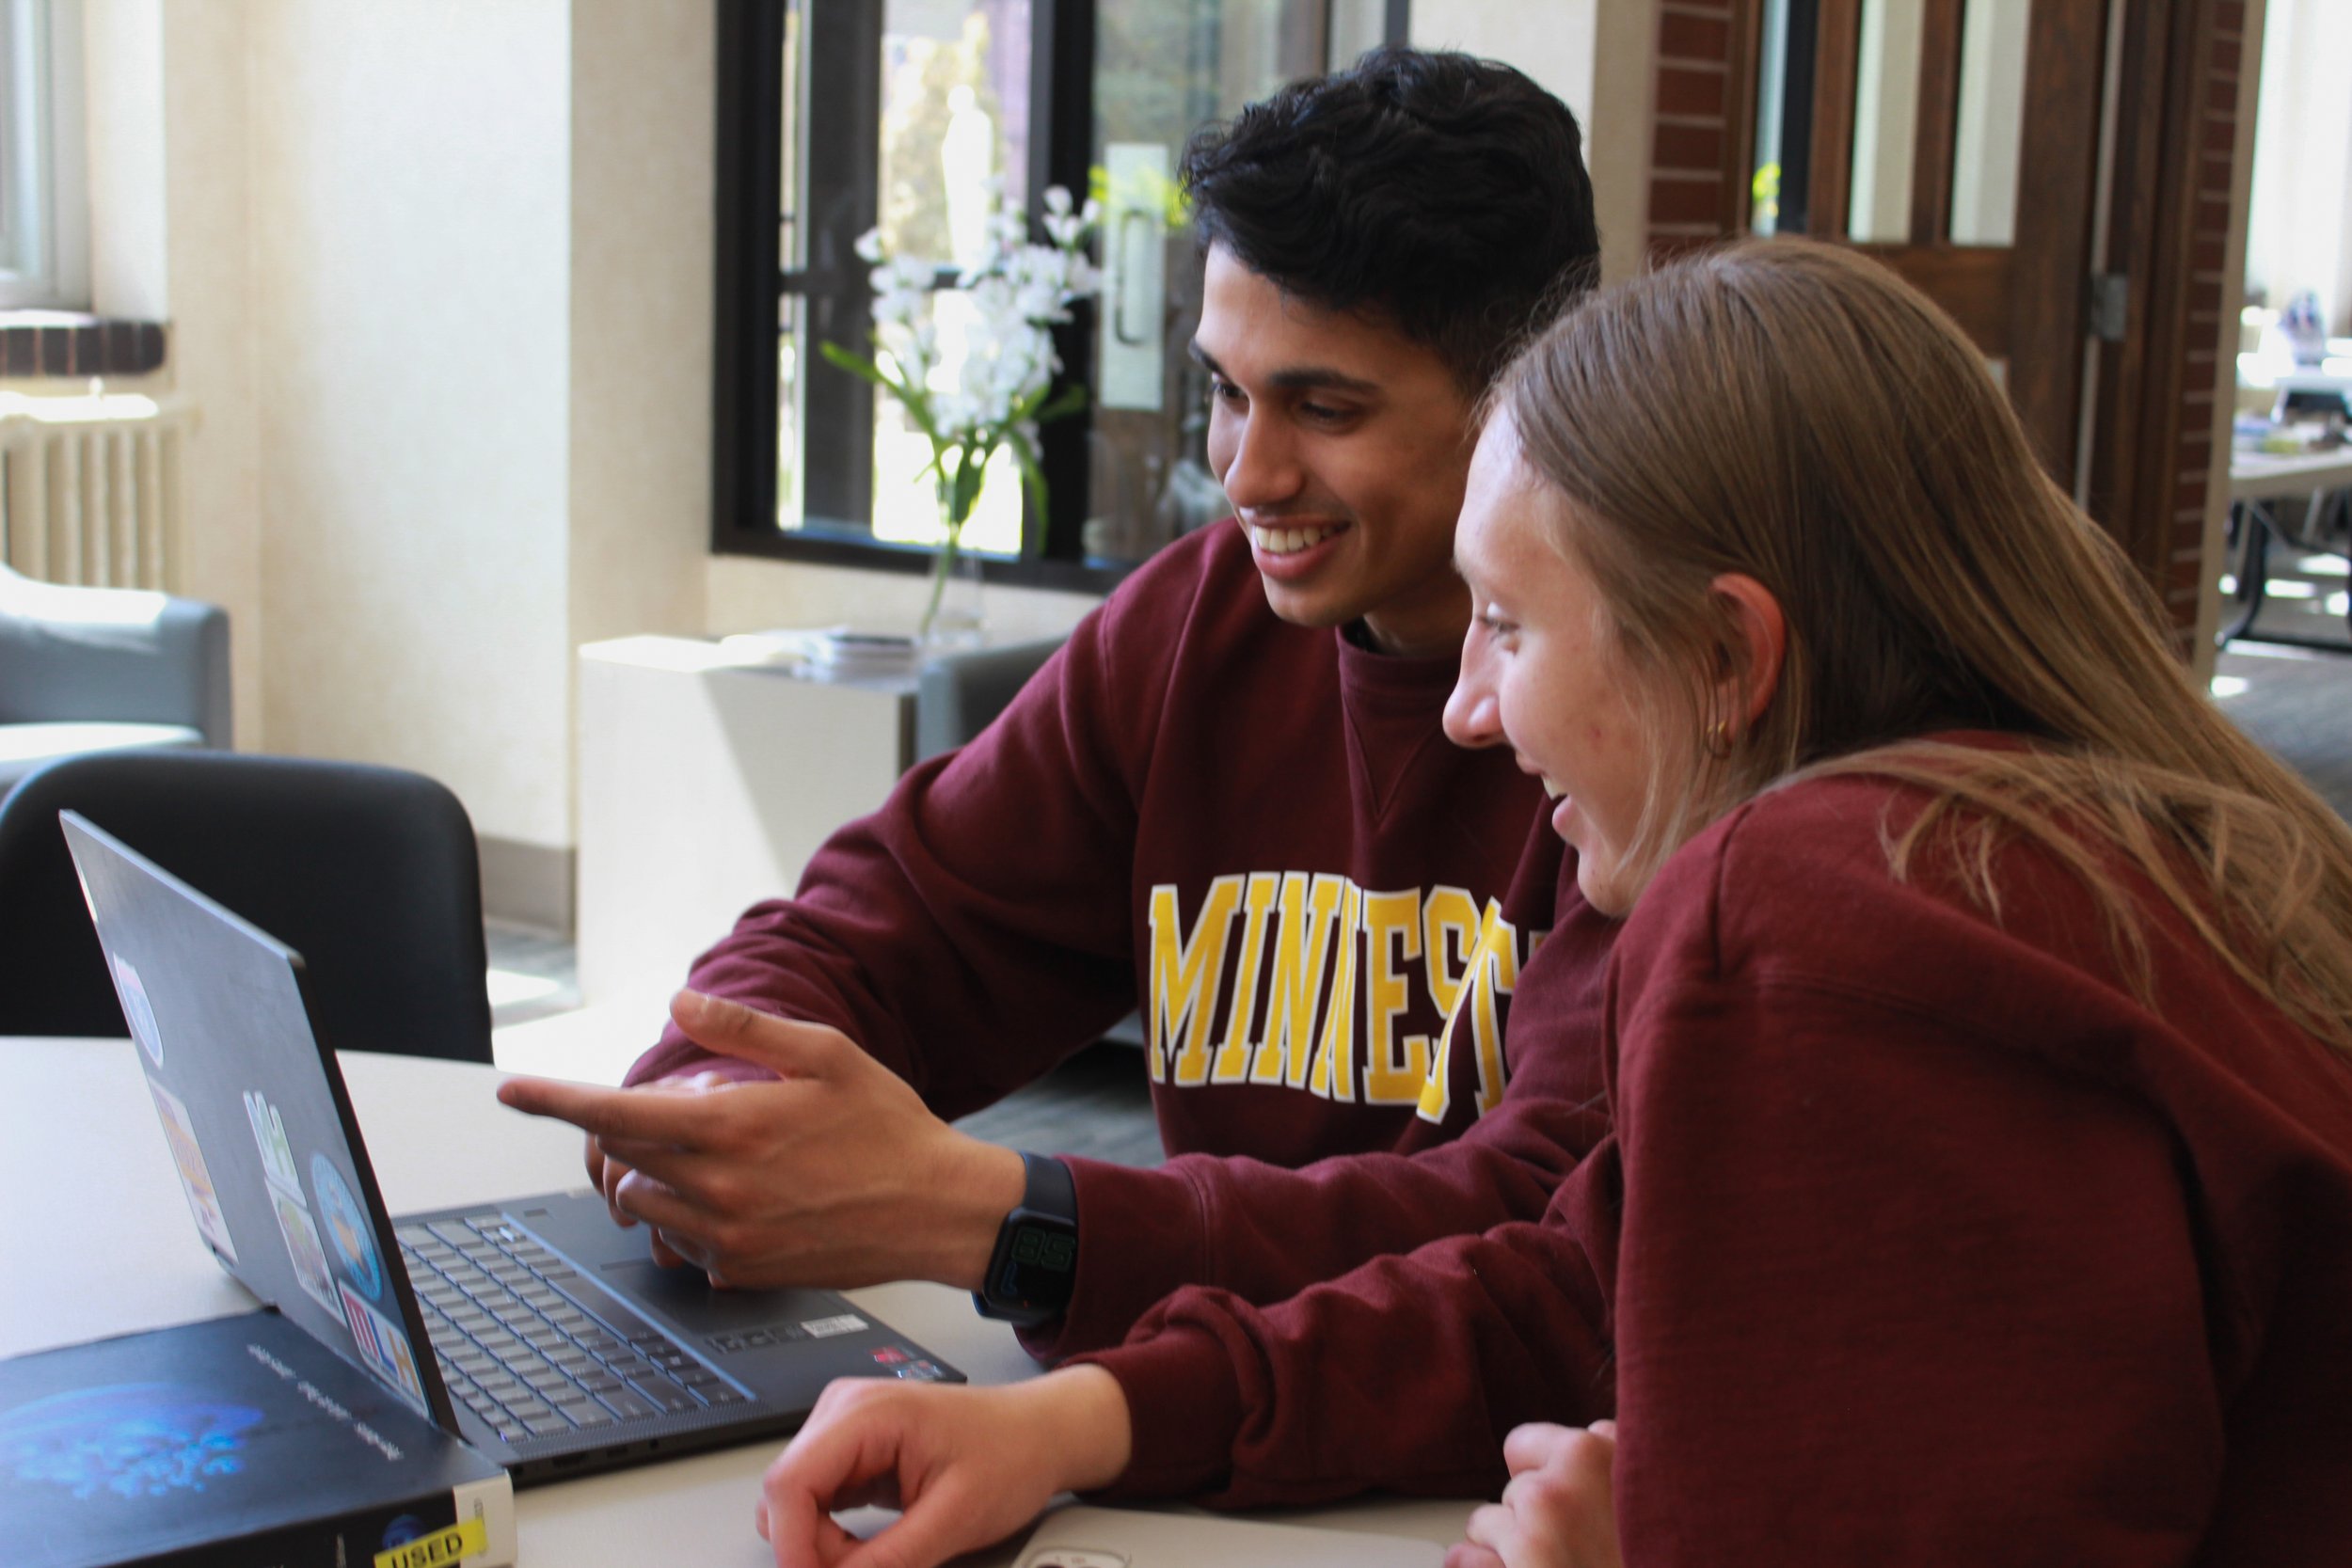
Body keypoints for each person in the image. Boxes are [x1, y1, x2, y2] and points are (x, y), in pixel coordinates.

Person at [753, 239, 2352, 1568]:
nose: (1463, 709)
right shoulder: (2061, 850)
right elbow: (1567, 1288)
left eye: (1508, 627)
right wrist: (1083, 1421)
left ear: (1726, 657)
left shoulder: (1819, 918)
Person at [498, 46, 1616, 1361]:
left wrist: (1003, 1218)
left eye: (1323, 408)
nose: (1245, 473)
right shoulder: (1191, 623)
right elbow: (901, 917)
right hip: (1170, 1417)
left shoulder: (1639, 711)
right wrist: (727, 1098)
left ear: (1525, 392)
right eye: (1224, 392)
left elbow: (1542, 1237)